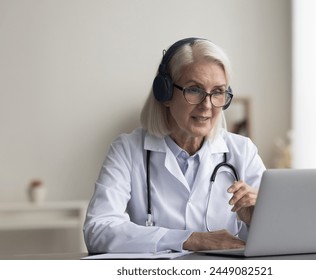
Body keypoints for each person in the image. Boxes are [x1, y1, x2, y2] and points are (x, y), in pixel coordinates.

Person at [83, 37, 266, 253]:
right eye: (194, 90)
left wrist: (258, 221)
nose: (207, 106)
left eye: (217, 92)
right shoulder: (127, 150)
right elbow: (98, 230)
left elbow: (281, 238)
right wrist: (191, 240)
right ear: (165, 93)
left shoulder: (243, 151)